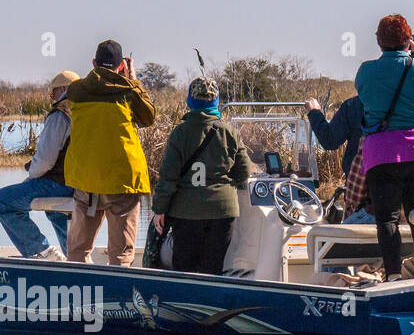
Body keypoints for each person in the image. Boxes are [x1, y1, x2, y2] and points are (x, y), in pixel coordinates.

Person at [354, 14, 414, 280]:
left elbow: (365, 97)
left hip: (383, 153)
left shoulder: (366, 71)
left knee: (387, 218)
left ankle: (394, 276)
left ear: (379, 41)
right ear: (408, 40)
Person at [65, 40, 156, 265]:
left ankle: (79, 294)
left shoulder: (75, 90)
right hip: (121, 181)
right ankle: (119, 297)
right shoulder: (128, 91)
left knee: (77, 250)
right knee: (121, 254)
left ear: (94, 63)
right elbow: (148, 118)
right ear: (122, 66)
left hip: (87, 180)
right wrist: (133, 80)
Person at [151, 78, 253, 275]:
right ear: (216, 102)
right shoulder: (229, 132)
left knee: (184, 270)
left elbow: (167, 178)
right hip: (222, 212)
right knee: (213, 269)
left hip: (186, 212)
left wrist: (159, 209)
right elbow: (244, 172)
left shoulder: (179, 134)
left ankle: (185, 304)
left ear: (190, 100)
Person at [0, 71, 80, 259]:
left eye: (54, 91)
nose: (53, 96)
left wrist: (31, 177)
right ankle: (75, 257)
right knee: (56, 213)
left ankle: (42, 251)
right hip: (80, 183)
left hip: (58, 183)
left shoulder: (60, 115)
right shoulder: (85, 113)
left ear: (63, 89)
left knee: (3, 201)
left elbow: (45, 160)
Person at [304, 95, 374, 223]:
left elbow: (330, 140)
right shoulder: (409, 103)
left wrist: (314, 113)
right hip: (402, 199)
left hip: (362, 198)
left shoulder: (355, 105)